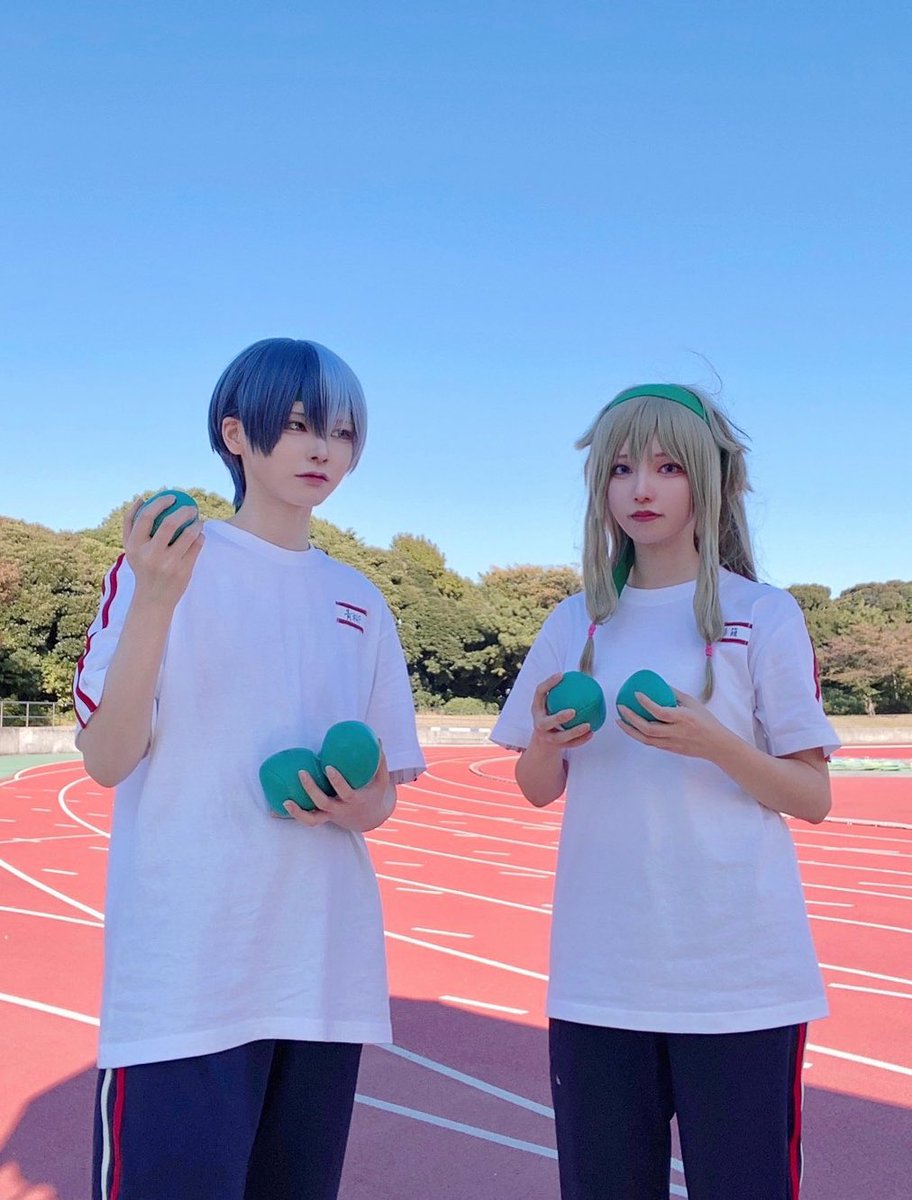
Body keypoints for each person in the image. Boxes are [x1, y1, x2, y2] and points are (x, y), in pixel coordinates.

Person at [74, 338, 424, 1200]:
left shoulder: (361, 600)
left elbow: (383, 797)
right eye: (299, 425)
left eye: (341, 432)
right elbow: (107, 758)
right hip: (186, 982)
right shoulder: (162, 564)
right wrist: (158, 599)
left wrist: (353, 802)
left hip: (321, 979)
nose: (323, 449)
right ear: (236, 434)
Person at [491, 384, 837, 1200]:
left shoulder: (764, 615)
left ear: (710, 482)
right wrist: (546, 742)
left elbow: (813, 795)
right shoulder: (575, 622)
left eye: (667, 467)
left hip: (740, 984)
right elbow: (536, 789)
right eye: (620, 469)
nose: (640, 488)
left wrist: (714, 743)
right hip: (600, 979)